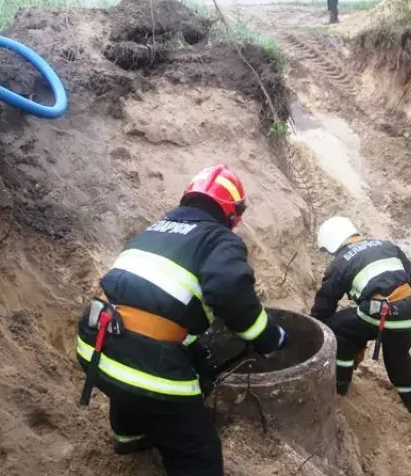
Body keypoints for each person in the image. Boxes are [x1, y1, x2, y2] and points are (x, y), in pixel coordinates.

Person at [75, 163, 290, 476]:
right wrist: (267, 336)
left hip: (95, 343)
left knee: (133, 387)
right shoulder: (219, 238)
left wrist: (192, 349)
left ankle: (131, 437)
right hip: (140, 364)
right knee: (199, 451)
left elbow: (154, 302)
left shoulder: (157, 229)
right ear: (232, 213)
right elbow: (230, 291)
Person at [308, 216, 411, 420]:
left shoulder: (341, 262)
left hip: (384, 312)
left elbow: (326, 301)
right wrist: (405, 308)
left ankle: (339, 384)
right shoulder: (387, 246)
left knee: (338, 327)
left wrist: (315, 325)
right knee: (398, 358)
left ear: (333, 242)